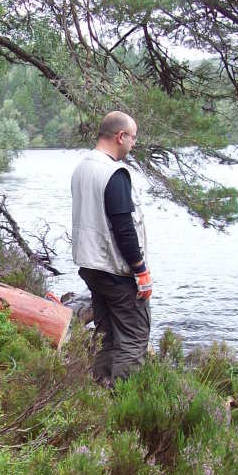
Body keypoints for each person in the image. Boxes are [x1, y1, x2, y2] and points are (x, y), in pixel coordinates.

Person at [71, 111, 152, 386]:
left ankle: (99, 392)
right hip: (115, 271)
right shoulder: (114, 172)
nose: (133, 144)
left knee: (107, 335)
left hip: (91, 268)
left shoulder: (83, 167)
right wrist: (140, 270)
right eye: (133, 138)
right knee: (134, 338)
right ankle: (124, 405)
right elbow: (124, 227)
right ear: (120, 136)